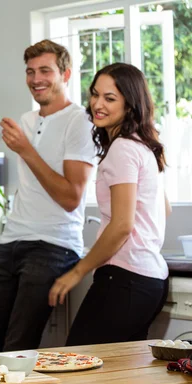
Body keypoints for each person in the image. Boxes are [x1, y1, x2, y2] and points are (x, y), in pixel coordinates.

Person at [0, 39, 96, 353]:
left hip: (53, 246)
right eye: (30, 71)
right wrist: (1, 243)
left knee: (18, 346)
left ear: (65, 74)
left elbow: (71, 197)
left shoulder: (80, 121)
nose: (36, 78)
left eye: (45, 70)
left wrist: (26, 150)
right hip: (13, 242)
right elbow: (28, 192)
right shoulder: (26, 121)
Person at [49, 63, 170, 345]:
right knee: (123, 377)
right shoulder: (143, 145)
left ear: (130, 105)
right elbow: (163, 210)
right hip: (151, 280)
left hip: (124, 279)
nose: (97, 104)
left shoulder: (123, 149)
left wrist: (77, 272)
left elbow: (122, 225)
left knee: (78, 365)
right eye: (95, 95)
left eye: (110, 98)